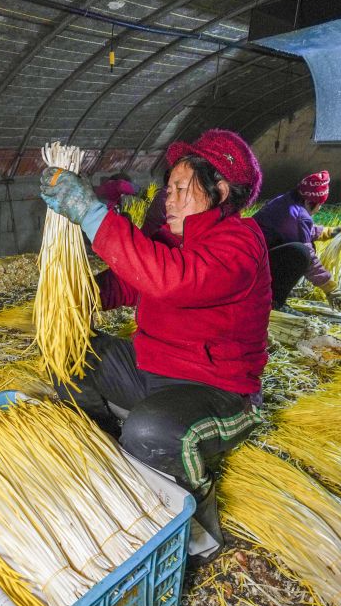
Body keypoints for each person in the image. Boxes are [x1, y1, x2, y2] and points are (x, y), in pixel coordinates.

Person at [39, 129, 272, 564]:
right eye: (170, 188)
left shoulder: (240, 241)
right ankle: (112, 451)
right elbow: (131, 282)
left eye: (183, 188)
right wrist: (71, 290)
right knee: (68, 348)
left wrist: (91, 215)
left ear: (220, 191)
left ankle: (198, 535)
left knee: (152, 431)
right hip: (151, 372)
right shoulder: (170, 240)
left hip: (219, 392)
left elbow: (171, 279)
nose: (170, 197)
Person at [252, 170, 341, 311]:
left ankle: (270, 295)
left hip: (252, 260)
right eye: (320, 205)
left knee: (300, 250)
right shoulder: (299, 215)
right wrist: (331, 288)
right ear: (309, 202)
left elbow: (297, 231)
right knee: (301, 254)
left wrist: (331, 232)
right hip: (253, 267)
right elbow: (310, 260)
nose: (319, 209)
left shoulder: (286, 201)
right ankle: (273, 301)